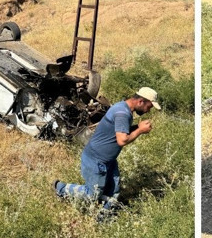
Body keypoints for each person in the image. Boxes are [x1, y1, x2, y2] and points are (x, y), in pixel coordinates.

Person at [54, 87, 160, 215]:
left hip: (107, 160)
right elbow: (122, 140)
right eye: (149, 107)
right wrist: (140, 130)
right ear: (141, 102)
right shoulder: (123, 113)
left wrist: (137, 127)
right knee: (92, 194)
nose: (148, 110)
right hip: (96, 160)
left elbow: (120, 131)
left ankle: (104, 218)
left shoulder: (123, 107)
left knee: (113, 191)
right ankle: (61, 188)